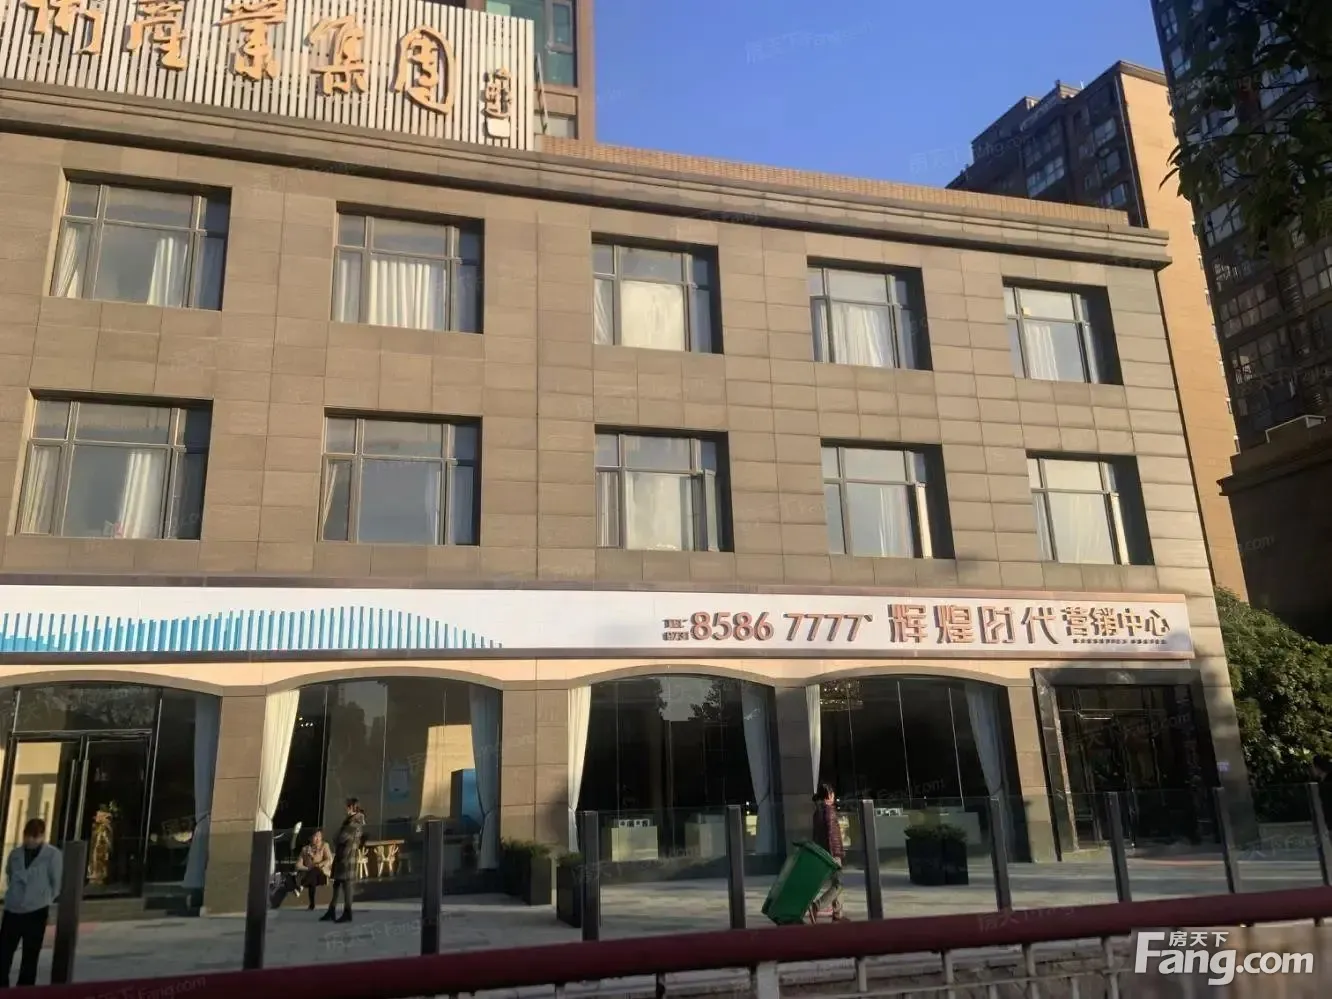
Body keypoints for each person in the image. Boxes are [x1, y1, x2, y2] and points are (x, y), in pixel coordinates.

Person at [0, 819, 61, 988]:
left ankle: (24, 990)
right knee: (4, 952)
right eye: (28, 836)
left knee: (30, 954)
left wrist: (44, 899)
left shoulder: (52, 855)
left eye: (35, 836)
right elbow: (9, 873)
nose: (31, 840)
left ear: (42, 836)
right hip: (13, 909)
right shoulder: (15, 854)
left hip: (36, 910)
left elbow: (56, 882)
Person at [322, 799, 366, 923]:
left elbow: (340, 837)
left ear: (352, 807)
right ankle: (332, 910)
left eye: (347, 806)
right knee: (337, 884)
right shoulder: (350, 820)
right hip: (342, 855)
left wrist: (338, 838)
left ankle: (347, 912)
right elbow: (337, 837)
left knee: (347, 885)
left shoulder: (355, 821)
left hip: (347, 857)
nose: (345, 809)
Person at [809, 783, 846, 923]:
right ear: (829, 795)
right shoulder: (828, 810)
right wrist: (832, 855)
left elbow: (816, 835)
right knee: (839, 885)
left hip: (825, 852)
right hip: (833, 852)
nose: (834, 796)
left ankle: (838, 915)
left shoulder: (817, 812)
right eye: (833, 793)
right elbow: (830, 834)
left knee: (836, 883)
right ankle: (817, 906)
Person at [295, 830, 333, 911]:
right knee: (312, 877)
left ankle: (301, 886)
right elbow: (298, 865)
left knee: (315, 870)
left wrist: (318, 864)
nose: (318, 838)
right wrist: (308, 868)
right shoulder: (305, 849)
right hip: (311, 875)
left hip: (321, 874)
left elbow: (329, 859)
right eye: (315, 836)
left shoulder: (324, 845)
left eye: (319, 836)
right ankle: (312, 904)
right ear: (310, 838)